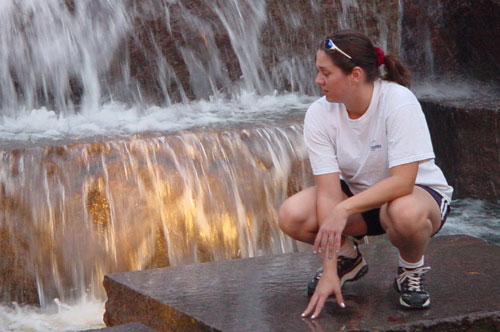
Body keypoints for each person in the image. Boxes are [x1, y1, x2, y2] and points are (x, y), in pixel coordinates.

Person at [278, 30, 452, 319]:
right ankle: (349, 259)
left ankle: (411, 269)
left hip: (417, 197)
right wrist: (330, 270)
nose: (317, 80)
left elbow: (402, 182)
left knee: (404, 212)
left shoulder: (399, 102)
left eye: (325, 73)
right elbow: (328, 192)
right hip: (361, 200)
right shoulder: (319, 114)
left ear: (355, 75)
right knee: (292, 214)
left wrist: (343, 209)